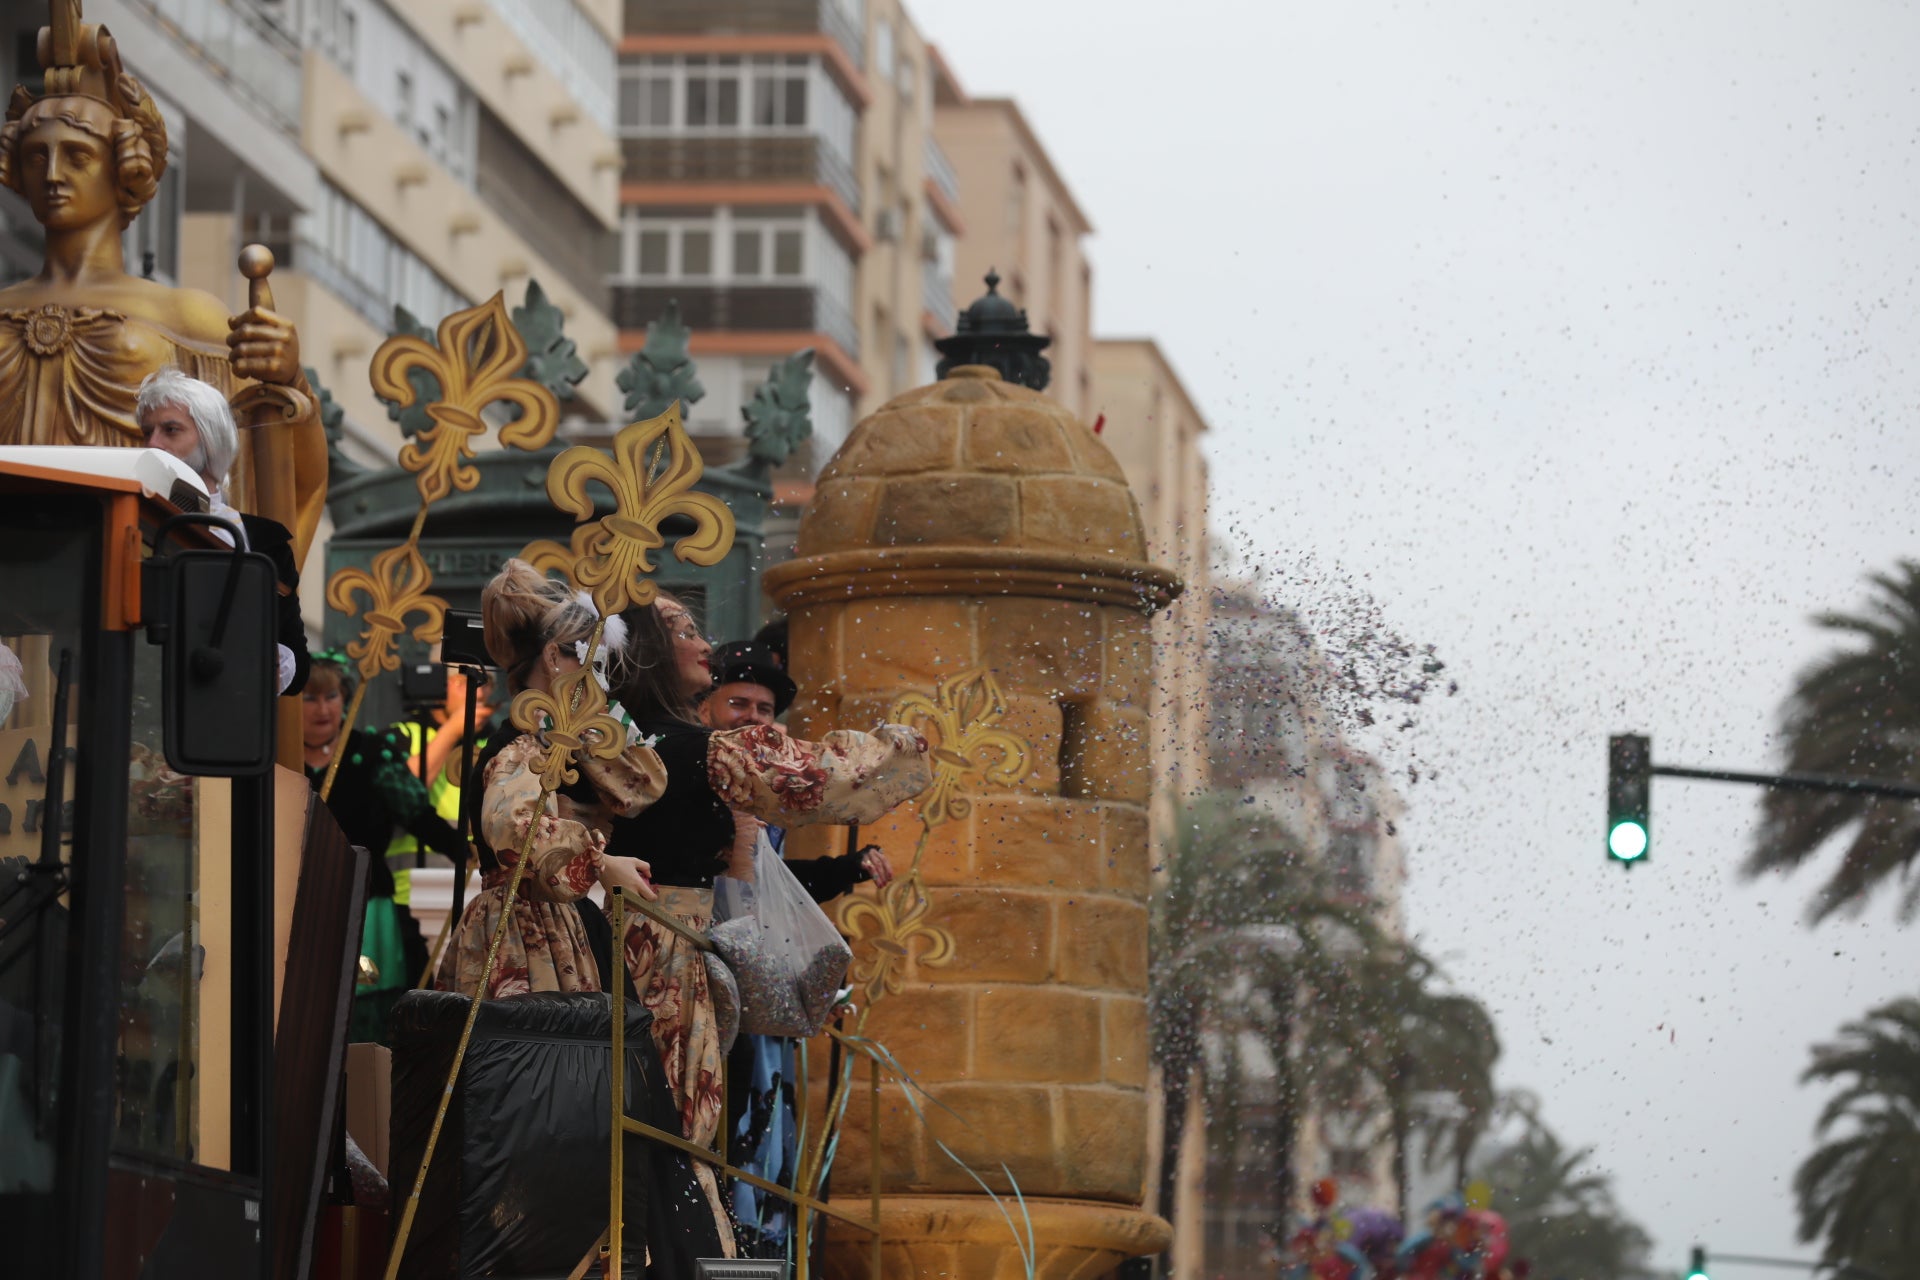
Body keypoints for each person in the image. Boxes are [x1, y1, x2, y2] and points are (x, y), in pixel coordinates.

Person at [602, 598, 933, 1254]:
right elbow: (820, 777)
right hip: (665, 961)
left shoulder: (620, 737)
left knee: (635, 1127)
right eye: (688, 633)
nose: (705, 645)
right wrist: (898, 746)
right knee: (670, 1125)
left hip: (620, 950)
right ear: (650, 652)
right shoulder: (694, 750)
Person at [0, 9, 327, 561]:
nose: (52, 174)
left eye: (77, 155)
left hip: (129, 584)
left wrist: (290, 378)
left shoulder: (187, 318)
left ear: (124, 166)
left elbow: (273, 468)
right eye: (37, 156)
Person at [701, 639, 895, 1257]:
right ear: (706, 705)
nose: (751, 719)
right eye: (737, 703)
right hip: (706, 974)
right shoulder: (696, 776)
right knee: (721, 1124)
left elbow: (774, 889)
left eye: (764, 709)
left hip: (760, 983)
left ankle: (756, 1259)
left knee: (767, 1127)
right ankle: (720, 1254)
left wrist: (848, 867)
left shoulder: (770, 798)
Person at [435, 561, 663, 1000]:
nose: (599, 675)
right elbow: (511, 829)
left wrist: (589, 721)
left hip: (561, 925)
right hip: (525, 931)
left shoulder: (559, 741)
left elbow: (641, 785)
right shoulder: (520, 748)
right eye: (586, 657)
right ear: (554, 656)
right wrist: (600, 863)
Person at [303, 657, 461, 1043]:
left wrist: (473, 854)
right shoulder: (275, 755)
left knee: (368, 1022)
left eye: (331, 696)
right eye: (309, 698)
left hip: (366, 903)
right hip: (295, 904)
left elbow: (418, 815)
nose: (323, 709)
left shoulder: (372, 752)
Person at [137, 367, 309, 696]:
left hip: (222, 720)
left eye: (171, 430)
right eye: (146, 432)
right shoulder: (127, 517)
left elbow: (297, 664)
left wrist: (256, 658)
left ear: (210, 437)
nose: (152, 443)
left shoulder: (265, 541)